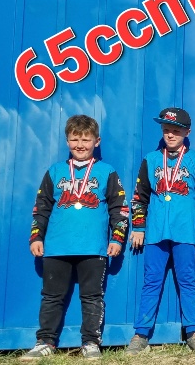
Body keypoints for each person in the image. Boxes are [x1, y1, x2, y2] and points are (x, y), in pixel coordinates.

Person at [21, 115, 129, 361]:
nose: (80, 145)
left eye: (86, 140)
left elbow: (120, 209)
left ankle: (90, 343)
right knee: (52, 297)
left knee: (92, 298)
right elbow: (41, 207)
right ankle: (45, 341)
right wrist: (36, 237)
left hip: (93, 247)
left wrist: (117, 238)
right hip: (56, 247)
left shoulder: (107, 172)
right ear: (67, 141)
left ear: (96, 141)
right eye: (74, 139)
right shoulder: (55, 171)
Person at [126, 107, 195, 354]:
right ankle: (140, 334)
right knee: (151, 282)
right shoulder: (151, 159)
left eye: (176, 131)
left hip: (186, 232)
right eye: (166, 130)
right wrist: (139, 227)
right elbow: (139, 197)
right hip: (155, 233)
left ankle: (193, 332)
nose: (170, 135)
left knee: (187, 281)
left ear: (187, 132)